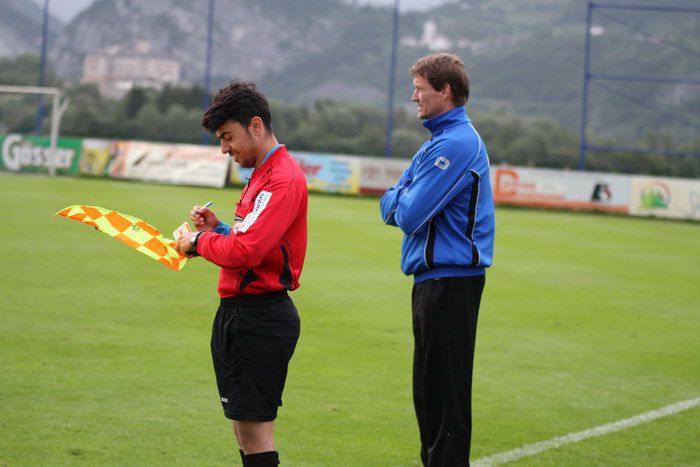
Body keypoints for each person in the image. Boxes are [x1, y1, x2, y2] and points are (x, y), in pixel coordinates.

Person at [175, 81, 308, 467]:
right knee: (244, 430)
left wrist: (197, 243)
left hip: (260, 318)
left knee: (254, 433)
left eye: (227, 137)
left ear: (255, 125)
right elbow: (250, 241)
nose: (224, 149)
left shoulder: (281, 179)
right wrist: (216, 230)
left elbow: (245, 252)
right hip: (243, 314)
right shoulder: (263, 176)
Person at [379, 53, 495, 466]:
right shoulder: (437, 143)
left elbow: (408, 214)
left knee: (444, 399)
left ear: (445, 91)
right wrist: (401, 195)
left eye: (420, 88)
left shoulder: (456, 143)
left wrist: (402, 195)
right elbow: (388, 205)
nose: (414, 97)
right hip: (433, 283)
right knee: (429, 394)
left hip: (450, 282)